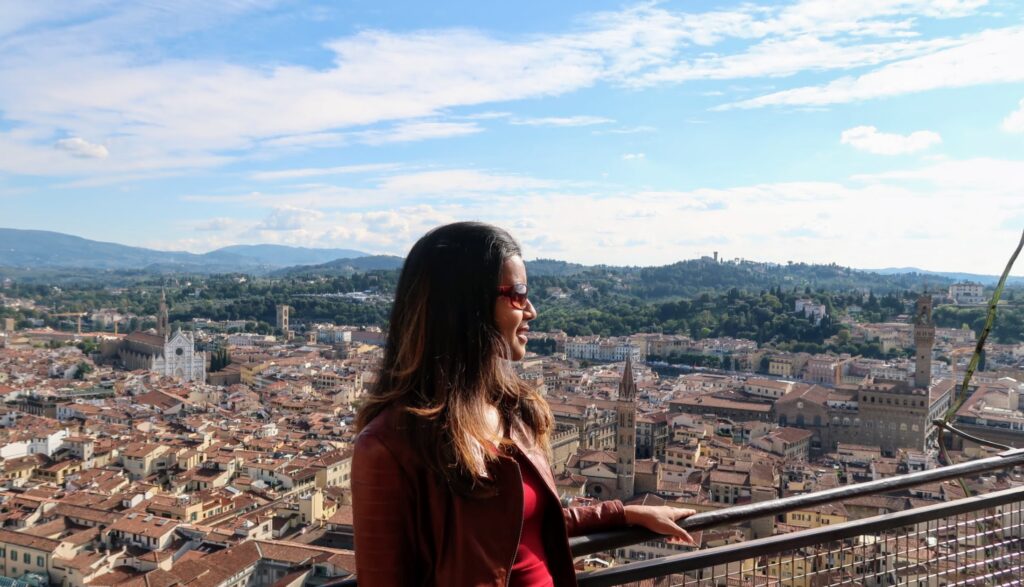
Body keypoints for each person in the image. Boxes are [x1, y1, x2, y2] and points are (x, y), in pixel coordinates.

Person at [352, 222, 695, 586]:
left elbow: (519, 525)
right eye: (517, 295)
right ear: (466, 305)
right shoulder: (388, 446)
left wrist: (622, 513)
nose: (531, 310)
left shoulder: (512, 411)